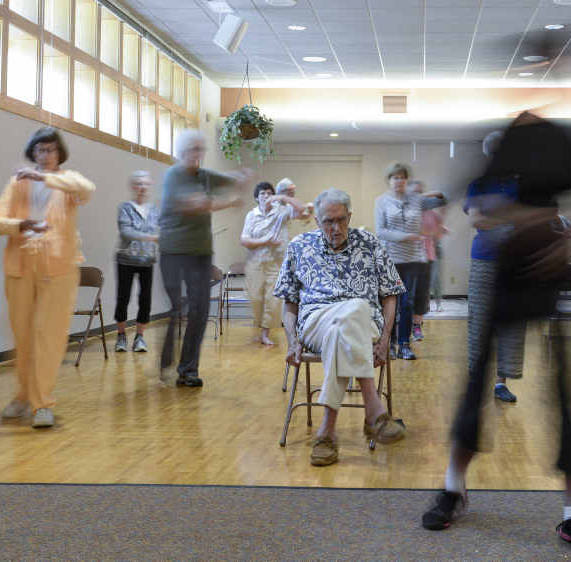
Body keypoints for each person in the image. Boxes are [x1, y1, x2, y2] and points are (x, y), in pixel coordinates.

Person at [422, 112, 571, 562]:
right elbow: (480, 212)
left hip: (545, 268)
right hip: (506, 266)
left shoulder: (560, 142)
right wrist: (530, 218)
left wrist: (566, 238)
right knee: (476, 379)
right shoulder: (508, 141)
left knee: (561, 392)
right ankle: (453, 488)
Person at [274, 188, 407, 466]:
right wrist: (292, 340)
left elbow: (391, 294)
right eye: (328, 221)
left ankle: (327, 432)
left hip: (363, 323)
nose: (336, 228)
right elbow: (288, 304)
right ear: (317, 221)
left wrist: (385, 339)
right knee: (352, 313)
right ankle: (374, 411)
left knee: (351, 315)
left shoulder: (369, 243)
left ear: (350, 216)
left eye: (341, 220)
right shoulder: (299, 246)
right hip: (316, 322)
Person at [0, 127, 95, 428]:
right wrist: (20, 224)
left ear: (59, 153)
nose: (45, 155)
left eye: (50, 149)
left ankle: (42, 403)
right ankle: (22, 396)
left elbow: (87, 188)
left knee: (48, 337)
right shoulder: (17, 184)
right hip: (20, 268)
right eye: (40, 150)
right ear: (32, 152)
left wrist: (43, 177)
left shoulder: (67, 183)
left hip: (58, 270)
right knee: (22, 336)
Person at [158, 129, 249, 387]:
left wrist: (241, 177)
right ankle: (166, 360)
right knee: (178, 308)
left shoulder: (204, 175)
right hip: (173, 252)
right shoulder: (174, 176)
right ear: (181, 153)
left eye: (200, 150)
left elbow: (227, 179)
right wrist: (230, 203)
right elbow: (194, 204)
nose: (197, 154)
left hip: (199, 253)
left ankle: (188, 370)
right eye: (192, 150)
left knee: (199, 310)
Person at [464, 130, 526, 403]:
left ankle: (501, 383)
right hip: (484, 258)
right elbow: (476, 221)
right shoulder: (478, 185)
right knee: (479, 319)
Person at [374, 163, 446, 360]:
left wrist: (430, 194)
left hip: (414, 258)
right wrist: (407, 236)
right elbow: (381, 231)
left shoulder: (416, 200)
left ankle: (404, 344)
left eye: (402, 177)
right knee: (390, 303)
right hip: (391, 259)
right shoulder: (382, 201)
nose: (399, 181)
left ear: (407, 180)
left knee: (408, 303)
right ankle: (389, 342)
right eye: (395, 177)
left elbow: (444, 198)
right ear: (389, 180)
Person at [240, 179, 313, 346]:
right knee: (256, 298)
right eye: (262, 194)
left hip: (275, 263)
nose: (266, 196)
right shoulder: (252, 215)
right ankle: (259, 326)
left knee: (272, 300)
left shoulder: (281, 211)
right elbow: (244, 240)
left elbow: (301, 210)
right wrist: (265, 240)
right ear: (257, 198)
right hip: (255, 263)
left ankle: (266, 333)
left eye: (269, 193)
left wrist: (283, 197)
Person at [114, 170, 159, 353]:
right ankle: (121, 336)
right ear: (133, 186)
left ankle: (140, 337)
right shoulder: (125, 207)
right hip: (126, 259)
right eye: (139, 183)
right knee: (123, 298)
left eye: (146, 184)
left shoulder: (155, 210)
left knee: (145, 299)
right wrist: (150, 238)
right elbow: (126, 232)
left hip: (146, 261)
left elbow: (162, 229)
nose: (142, 187)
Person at [410, 179, 448, 342]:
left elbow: (437, 234)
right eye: (415, 192)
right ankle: (403, 328)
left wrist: (437, 228)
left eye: (421, 192)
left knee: (422, 294)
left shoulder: (431, 214)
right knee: (407, 295)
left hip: (427, 257)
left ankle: (417, 326)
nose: (419, 196)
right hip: (407, 258)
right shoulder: (406, 209)